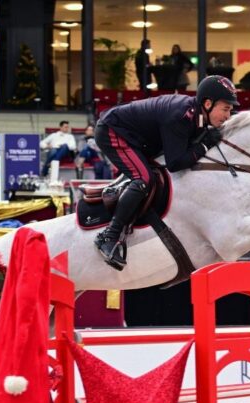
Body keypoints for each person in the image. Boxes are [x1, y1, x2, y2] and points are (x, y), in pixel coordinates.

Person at [93, 75, 237, 270]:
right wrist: (205, 144)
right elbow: (176, 162)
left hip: (137, 137)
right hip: (113, 131)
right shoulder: (181, 116)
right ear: (208, 103)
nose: (228, 116)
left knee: (149, 174)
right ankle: (108, 237)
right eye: (226, 109)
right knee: (144, 179)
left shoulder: (197, 115)